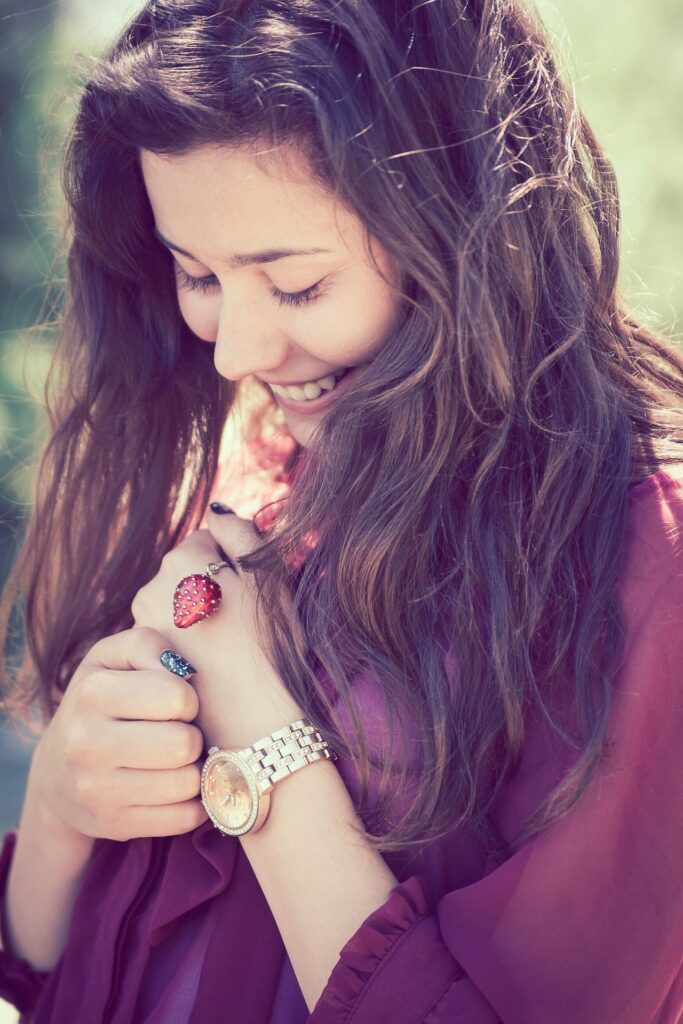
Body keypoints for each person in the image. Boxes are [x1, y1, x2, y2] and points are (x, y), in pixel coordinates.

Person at [0, 0, 681, 1021]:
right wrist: (60, 802)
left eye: (297, 286)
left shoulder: (641, 567)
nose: (236, 352)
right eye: (196, 274)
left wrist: (255, 724)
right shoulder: (249, 458)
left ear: (466, 227)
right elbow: (49, 968)